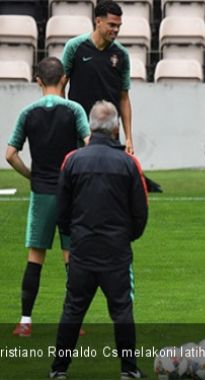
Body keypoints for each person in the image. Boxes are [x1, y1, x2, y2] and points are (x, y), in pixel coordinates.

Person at [49, 101, 148, 380]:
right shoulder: (129, 163)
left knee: (73, 308)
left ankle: (59, 369)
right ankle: (128, 369)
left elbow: (62, 210)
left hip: (82, 250)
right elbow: (140, 211)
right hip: (116, 252)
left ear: (91, 127)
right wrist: (126, 237)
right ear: (116, 127)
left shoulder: (72, 160)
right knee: (122, 309)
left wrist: (75, 235)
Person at [5, 57, 90, 337]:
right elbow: (89, 145)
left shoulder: (28, 113)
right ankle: (73, 324)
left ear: (38, 81)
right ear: (64, 79)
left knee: (35, 257)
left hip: (41, 192)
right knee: (71, 258)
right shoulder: (75, 110)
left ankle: (26, 322)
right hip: (70, 194)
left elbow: (10, 155)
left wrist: (30, 174)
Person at [61, 0, 133, 154]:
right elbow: (60, 85)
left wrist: (128, 138)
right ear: (98, 21)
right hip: (79, 129)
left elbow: (124, 98)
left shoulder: (122, 55)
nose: (116, 30)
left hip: (110, 131)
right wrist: (64, 119)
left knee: (111, 176)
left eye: (118, 26)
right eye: (112, 25)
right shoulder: (74, 47)